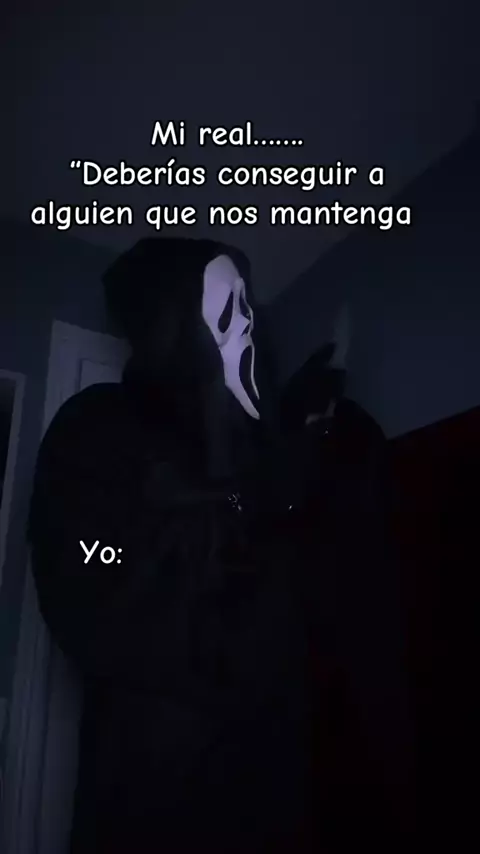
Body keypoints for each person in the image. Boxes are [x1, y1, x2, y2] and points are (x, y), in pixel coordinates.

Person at [28, 237, 414, 853]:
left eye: (248, 311)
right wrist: (242, 504)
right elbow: (88, 562)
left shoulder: (259, 453)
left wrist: (318, 442)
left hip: (275, 805)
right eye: (227, 317)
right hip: (152, 810)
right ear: (172, 336)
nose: (249, 330)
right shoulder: (97, 431)